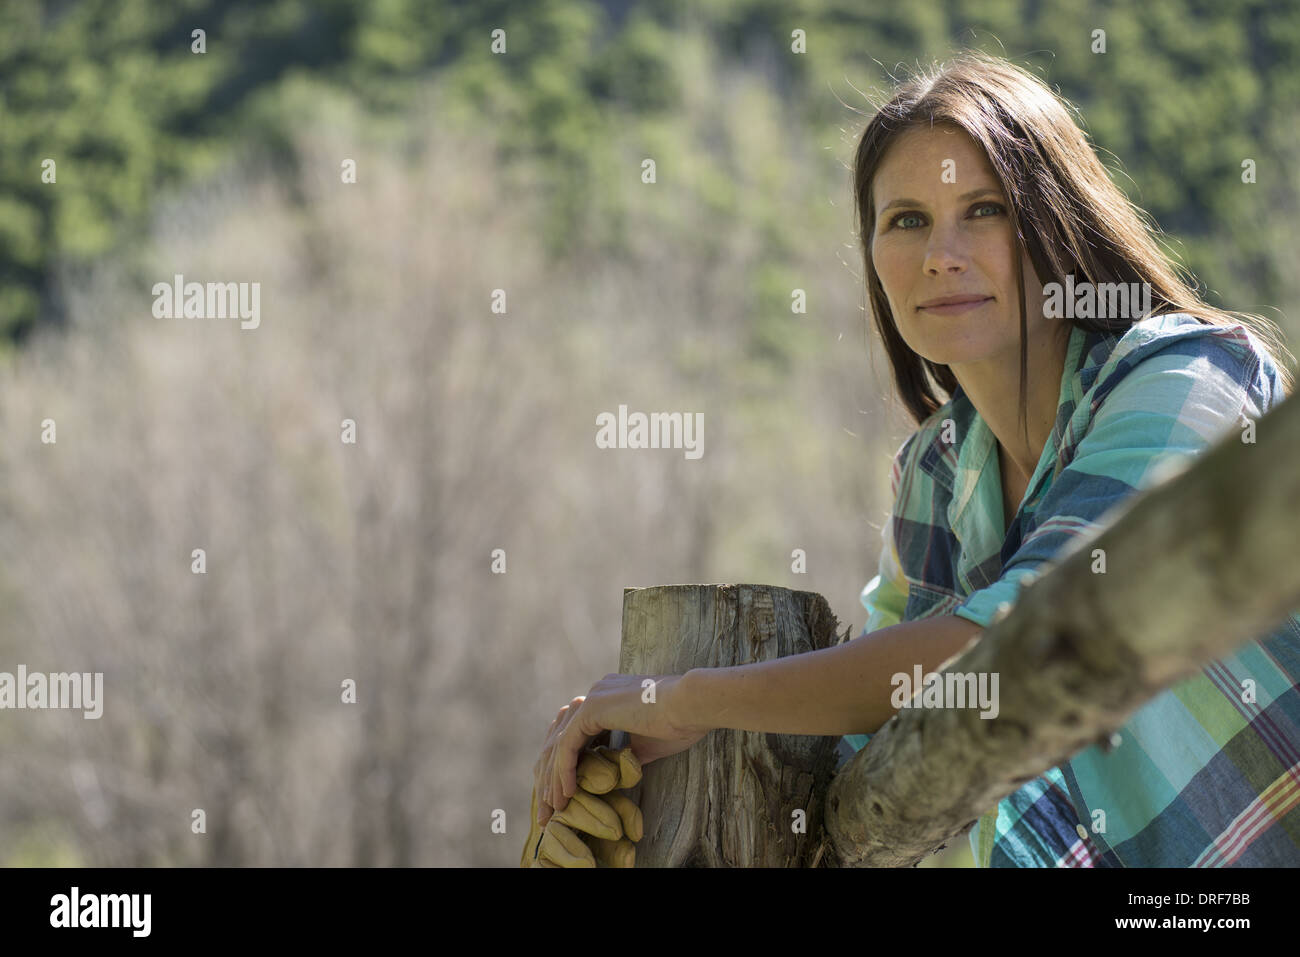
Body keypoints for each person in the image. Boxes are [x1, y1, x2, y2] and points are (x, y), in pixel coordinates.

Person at [532, 51, 1300, 866]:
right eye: (905, 220)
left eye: (984, 210)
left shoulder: (1190, 379)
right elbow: (871, 737)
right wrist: (613, 774)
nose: (942, 253)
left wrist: (689, 699)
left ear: (1057, 223)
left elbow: (1010, 648)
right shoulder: (935, 470)